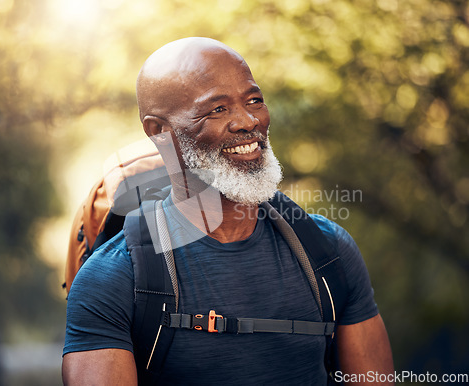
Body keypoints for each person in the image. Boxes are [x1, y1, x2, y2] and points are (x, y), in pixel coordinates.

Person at [62, 37, 394, 385]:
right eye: (218, 109)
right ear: (161, 132)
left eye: (254, 100)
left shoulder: (328, 252)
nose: (248, 120)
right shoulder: (114, 279)